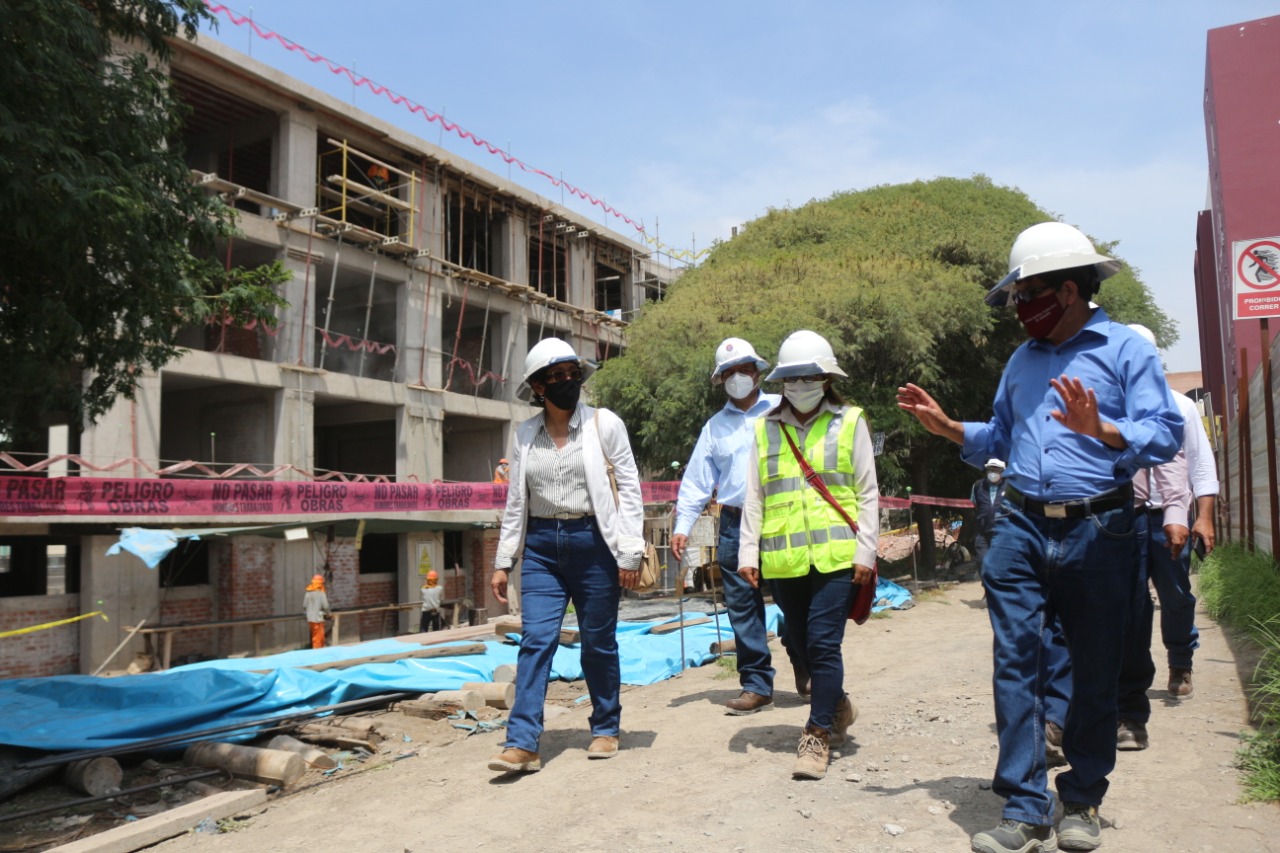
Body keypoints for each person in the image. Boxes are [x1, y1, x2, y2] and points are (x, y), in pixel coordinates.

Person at [896, 221, 1182, 853]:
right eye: (1018, 297)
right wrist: (950, 429)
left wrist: (1101, 429)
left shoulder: (1125, 350)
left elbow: (1166, 434)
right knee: (1016, 663)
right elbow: (1002, 435)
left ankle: (1081, 799)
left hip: (1101, 527)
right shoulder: (1021, 361)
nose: (1021, 307)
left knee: (1095, 666)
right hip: (1021, 524)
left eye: (1030, 294)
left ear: (1071, 290)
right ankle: (1025, 807)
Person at [488, 337, 644, 774]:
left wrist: (630, 553)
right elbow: (516, 501)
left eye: (572, 373)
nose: (567, 381)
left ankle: (606, 727)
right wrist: (503, 561)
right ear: (538, 387)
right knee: (536, 640)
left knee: (598, 641)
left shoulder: (604, 424)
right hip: (541, 548)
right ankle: (522, 743)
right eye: (556, 376)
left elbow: (630, 488)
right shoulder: (524, 434)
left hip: (594, 543)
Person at [739, 330, 879, 780]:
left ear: (826, 379)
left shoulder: (851, 421)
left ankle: (817, 735)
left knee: (822, 642)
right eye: (792, 378)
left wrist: (867, 551)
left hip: (837, 556)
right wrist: (748, 553)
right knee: (797, 642)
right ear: (781, 382)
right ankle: (837, 704)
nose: (800, 386)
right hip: (784, 558)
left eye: (808, 377)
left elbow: (868, 492)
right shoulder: (764, 429)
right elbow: (755, 497)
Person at [672, 338, 786, 714]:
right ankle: (756, 684)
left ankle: (805, 663)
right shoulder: (714, 428)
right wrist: (682, 525)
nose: (738, 377)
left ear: (757, 371)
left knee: (795, 597)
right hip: (735, 523)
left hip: (782, 517)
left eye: (744, 369)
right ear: (721, 380)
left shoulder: (783, 410)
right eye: (730, 372)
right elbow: (697, 481)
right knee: (742, 608)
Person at [970, 459, 1008, 575]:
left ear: (1003, 472)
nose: (993, 472)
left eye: (997, 470)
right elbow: (975, 505)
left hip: (1003, 533)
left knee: (1001, 565)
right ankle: (986, 585)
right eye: (991, 469)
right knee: (982, 562)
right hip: (983, 533)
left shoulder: (1010, 487)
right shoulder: (978, 486)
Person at [303, 574, 331, 649]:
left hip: (310, 619)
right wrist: (328, 614)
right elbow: (326, 606)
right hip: (318, 619)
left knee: (314, 636)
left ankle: (317, 650)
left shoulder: (308, 593)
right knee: (319, 637)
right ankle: (317, 652)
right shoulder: (321, 594)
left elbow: (304, 606)